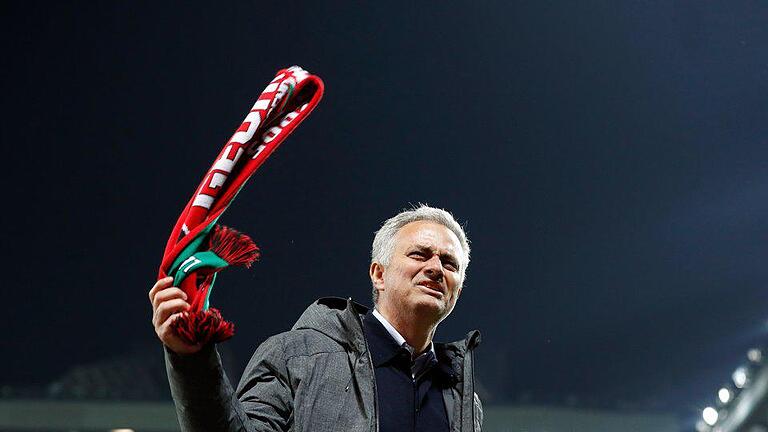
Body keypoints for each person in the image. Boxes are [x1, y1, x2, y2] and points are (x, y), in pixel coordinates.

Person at [149, 205, 483, 431]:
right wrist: (192, 360)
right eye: (419, 255)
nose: (436, 268)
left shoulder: (463, 398)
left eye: (449, 263)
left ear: (459, 288)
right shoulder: (295, 357)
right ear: (378, 274)